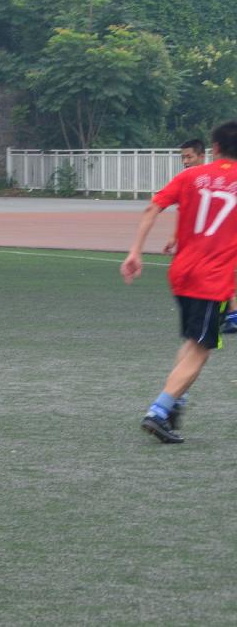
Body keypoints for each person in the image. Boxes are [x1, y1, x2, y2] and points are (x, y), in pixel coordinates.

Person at [121, 121, 237, 443]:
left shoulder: (191, 176)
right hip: (211, 279)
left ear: (214, 148)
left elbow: (152, 208)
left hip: (182, 272)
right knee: (201, 350)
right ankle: (159, 411)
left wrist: (135, 252)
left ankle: (176, 403)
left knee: (191, 342)